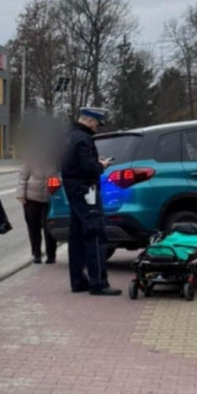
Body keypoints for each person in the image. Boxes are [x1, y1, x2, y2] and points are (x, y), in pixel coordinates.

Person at [60, 107, 120, 296]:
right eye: (96, 124)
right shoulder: (84, 139)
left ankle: (78, 280)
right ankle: (98, 282)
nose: (97, 128)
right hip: (87, 190)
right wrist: (100, 165)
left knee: (76, 235)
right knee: (95, 233)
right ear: (90, 121)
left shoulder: (68, 136)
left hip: (72, 189)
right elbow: (89, 169)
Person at [17, 149, 58, 264]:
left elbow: (59, 176)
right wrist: (21, 195)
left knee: (49, 228)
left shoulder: (55, 161)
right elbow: (22, 178)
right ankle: (36, 254)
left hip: (49, 199)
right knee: (34, 228)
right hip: (31, 199)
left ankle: (51, 255)